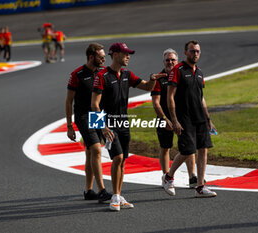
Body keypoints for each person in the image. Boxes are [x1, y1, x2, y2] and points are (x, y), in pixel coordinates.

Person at [91, 42, 166, 211]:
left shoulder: (127, 74)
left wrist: (153, 80)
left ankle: (118, 195)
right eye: (125, 53)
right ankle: (114, 197)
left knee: (123, 159)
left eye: (128, 53)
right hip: (108, 124)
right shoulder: (102, 76)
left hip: (123, 123)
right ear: (115, 54)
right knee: (117, 157)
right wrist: (102, 127)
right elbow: (94, 105)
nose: (128, 56)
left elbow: (146, 86)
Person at [162, 40, 217, 198]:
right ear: (185, 53)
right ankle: (168, 177)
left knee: (203, 149)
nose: (195, 54)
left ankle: (200, 186)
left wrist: (208, 118)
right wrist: (174, 119)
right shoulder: (178, 70)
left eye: (197, 51)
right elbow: (170, 96)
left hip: (199, 117)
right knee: (187, 150)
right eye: (192, 51)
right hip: (183, 117)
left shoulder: (199, 72)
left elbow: (201, 97)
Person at [65, 43, 112, 202]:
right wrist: (69, 126)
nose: (104, 59)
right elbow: (68, 101)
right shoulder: (77, 74)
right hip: (83, 116)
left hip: (98, 115)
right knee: (97, 150)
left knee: (90, 153)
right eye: (101, 56)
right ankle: (103, 191)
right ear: (91, 57)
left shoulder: (103, 72)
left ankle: (88, 190)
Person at [151, 48, 198, 188]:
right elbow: (156, 103)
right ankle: (167, 177)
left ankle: (192, 177)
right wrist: (165, 119)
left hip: (183, 118)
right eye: (167, 60)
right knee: (165, 147)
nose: (170, 62)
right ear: (163, 62)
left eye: (173, 60)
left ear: (177, 61)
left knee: (189, 146)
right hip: (164, 118)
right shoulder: (158, 78)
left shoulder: (183, 75)